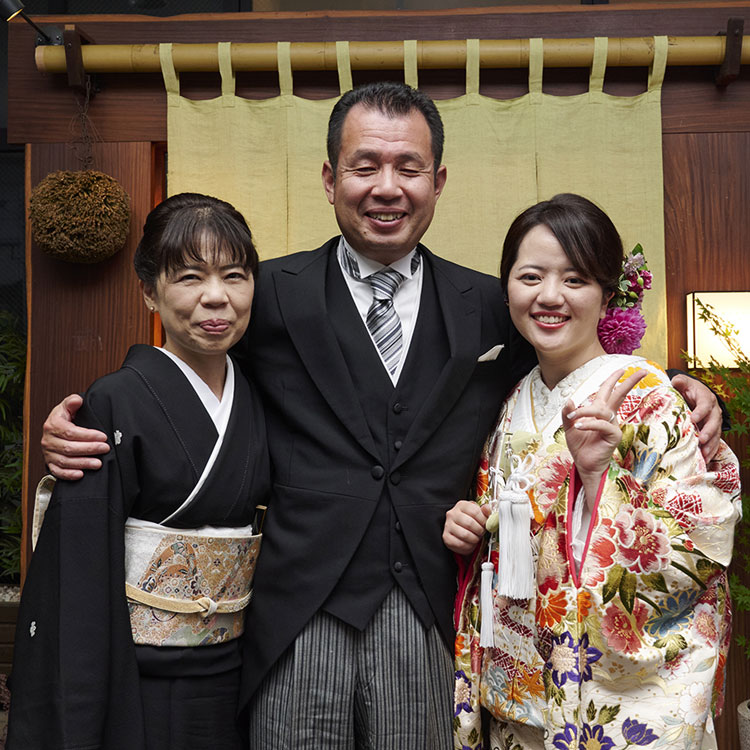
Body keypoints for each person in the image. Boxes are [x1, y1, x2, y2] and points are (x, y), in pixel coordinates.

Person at [40, 85, 724, 749]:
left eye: (408, 167)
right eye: (365, 166)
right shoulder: (263, 292)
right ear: (331, 178)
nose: (386, 186)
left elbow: (573, 365)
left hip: (429, 600)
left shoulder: (492, 305)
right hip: (297, 604)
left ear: (439, 179)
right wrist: (88, 421)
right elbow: (189, 370)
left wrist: (683, 390)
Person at [445, 194, 741, 750]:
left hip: (603, 697)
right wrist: (474, 525)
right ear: (506, 286)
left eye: (576, 280)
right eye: (530, 276)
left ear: (608, 295)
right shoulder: (512, 396)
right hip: (516, 691)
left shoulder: (651, 398)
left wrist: (601, 480)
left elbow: (698, 541)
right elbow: (508, 522)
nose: (550, 297)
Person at [8, 193, 270, 749]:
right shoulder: (114, 402)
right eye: (189, 278)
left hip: (238, 672)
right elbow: (81, 574)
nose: (216, 297)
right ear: (149, 291)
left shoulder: (259, 393)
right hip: (139, 680)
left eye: (235, 274)